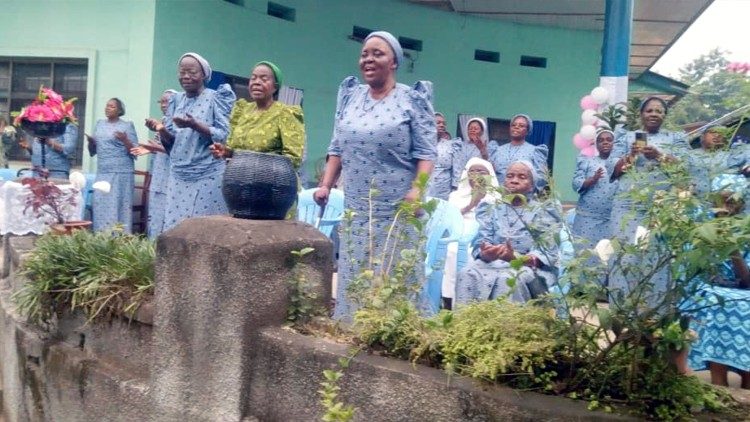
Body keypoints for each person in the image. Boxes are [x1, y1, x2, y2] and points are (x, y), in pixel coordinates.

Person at [313, 31, 437, 321]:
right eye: (364, 54)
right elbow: (336, 146)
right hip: (357, 205)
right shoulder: (350, 96)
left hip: (397, 206)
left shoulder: (411, 99)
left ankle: (394, 338)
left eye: (377, 53)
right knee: (356, 268)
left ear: (394, 62)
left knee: (393, 273)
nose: (368, 59)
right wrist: (325, 185)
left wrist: (418, 191)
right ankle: (351, 329)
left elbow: (427, 152)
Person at [607, 97, 688, 305]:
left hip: (661, 207)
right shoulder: (624, 137)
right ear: (641, 114)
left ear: (664, 116)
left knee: (656, 257)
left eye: (659, 111)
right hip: (627, 206)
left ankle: (653, 316)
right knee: (624, 256)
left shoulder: (676, 138)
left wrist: (660, 156)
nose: (654, 114)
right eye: (649, 110)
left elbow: (685, 170)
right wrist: (631, 156)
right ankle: (621, 311)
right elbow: (613, 171)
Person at [145, 52, 236, 231]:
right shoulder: (176, 100)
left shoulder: (215, 98)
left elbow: (224, 135)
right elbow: (172, 144)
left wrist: (195, 125)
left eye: (192, 72)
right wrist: (161, 130)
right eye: (182, 72)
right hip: (179, 175)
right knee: (176, 228)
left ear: (203, 75)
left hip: (207, 174)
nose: (186, 76)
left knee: (204, 229)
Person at [454, 160, 560, 305]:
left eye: (522, 177)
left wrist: (516, 258)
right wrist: (485, 253)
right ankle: (467, 324)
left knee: (507, 279)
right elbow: (482, 241)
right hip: (492, 263)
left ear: (532, 185)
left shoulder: (543, 211)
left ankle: (507, 327)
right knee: (466, 273)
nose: (514, 181)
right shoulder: (492, 209)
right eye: (510, 176)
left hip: (529, 267)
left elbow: (547, 252)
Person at [688, 180, 750, 389]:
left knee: (742, 306)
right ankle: (718, 380)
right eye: (722, 200)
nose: (727, 206)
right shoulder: (701, 228)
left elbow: (747, 281)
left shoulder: (746, 229)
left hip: (744, 292)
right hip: (710, 291)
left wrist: (732, 247)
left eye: (732, 200)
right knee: (715, 303)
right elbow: (691, 273)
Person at [209, 61, 305, 167]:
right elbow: (234, 151)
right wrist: (225, 152)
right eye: (253, 78)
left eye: (264, 79)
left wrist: (257, 167)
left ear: (275, 87)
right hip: (238, 179)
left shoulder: (286, 113)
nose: (257, 82)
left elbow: (293, 159)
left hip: (273, 181)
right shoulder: (241, 111)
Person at [442, 157, 499, 308]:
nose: (476, 175)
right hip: (457, 233)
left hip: (484, 235)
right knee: (450, 252)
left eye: (481, 171)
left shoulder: (497, 197)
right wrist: (472, 204)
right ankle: (448, 300)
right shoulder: (455, 196)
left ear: (490, 175)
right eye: (472, 171)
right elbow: (449, 218)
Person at [86, 98, 137, 233]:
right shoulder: (99, 124)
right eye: (107, 106)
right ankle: (103, 237)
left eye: (112, 106)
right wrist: (91, 143)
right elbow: (92, 152)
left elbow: (135, 152)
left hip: (121, 172)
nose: (108, 108)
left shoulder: (127, 126)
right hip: (103, 171)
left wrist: (125, 140)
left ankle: (120, 238)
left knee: (118, 205)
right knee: (101, 203)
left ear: (120, 111)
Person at [131, 89, 177, 238]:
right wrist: (149, 149)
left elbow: (177, 149)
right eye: (161, 102)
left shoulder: (179, 122)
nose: (163, 105)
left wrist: (154, 148)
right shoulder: (163, 121)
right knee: (155, 213)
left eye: (167, 101)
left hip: (171, 175)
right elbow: (160, 147)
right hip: (159, 173)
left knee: (167, 213)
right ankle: (153, 245)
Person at [571, 130, 618, 254]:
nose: (605, 143)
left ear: (615, 143)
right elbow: (576, 184)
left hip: (611, 220)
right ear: (596, 144)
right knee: (584, 254)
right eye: (601, 140)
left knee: (607, 257)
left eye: (609, 140)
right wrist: (593, 179)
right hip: (587, 219)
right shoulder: (587, 161)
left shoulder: (620, 164)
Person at [489, 114, 548, 191]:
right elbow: (489, 173)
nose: (516, 127)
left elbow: (541, 177)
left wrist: (527, 191)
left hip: (523, 198)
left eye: (521, 125)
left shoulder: (535, 151)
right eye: (513, 125)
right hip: (498, 196)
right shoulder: (497, 150)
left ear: (527, 131)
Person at [426, 112, 462, 200]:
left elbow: (457, 171)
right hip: (423, 188)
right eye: (438, 123)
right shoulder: (423, 144)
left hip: (443, 191)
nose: (442, 125)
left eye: (444, 123)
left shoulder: (451, 145)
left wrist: (454, 191)